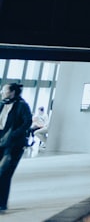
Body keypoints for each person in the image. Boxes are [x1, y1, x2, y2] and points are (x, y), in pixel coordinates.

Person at [0, 83, 33, 212]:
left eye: (4, 90)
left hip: (13, 144)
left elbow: (27, 122)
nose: (2, 92)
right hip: (1, 141)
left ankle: (2, 203)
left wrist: (13, 135)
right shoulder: (2, 103)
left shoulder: (22, 106)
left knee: (5, 173)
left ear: (12, 92)